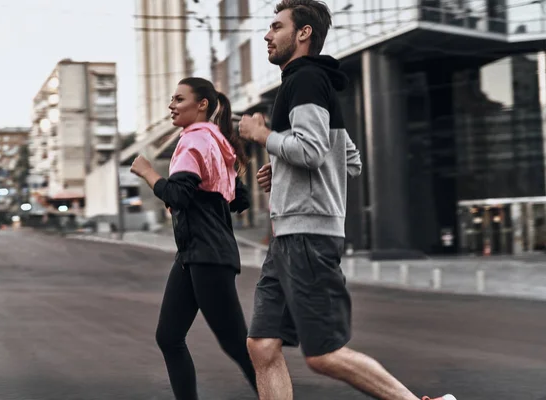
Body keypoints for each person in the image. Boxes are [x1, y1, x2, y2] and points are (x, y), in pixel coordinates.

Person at [237, 1, 456, 400]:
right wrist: (282, 170)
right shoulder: (303, 83)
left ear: (303, 33)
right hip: (288, 236)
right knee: (262, 346)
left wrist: (262, 136)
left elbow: (313, 151)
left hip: (308, 236)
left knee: (324, 354)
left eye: (276, 26)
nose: (267, 35)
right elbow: (347, 159)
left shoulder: (304, 81)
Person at [130, 77, 258, 399]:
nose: (171, 105)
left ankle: (277, 394)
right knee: (169, 337)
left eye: (178, 99)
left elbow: (178, 195)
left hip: (208, 255)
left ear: (202, 104)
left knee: (238, 346)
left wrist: (148, 171)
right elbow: (237, 199)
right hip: (194, 254)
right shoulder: (218, 142)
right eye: (171, 99)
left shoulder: (194, 141)